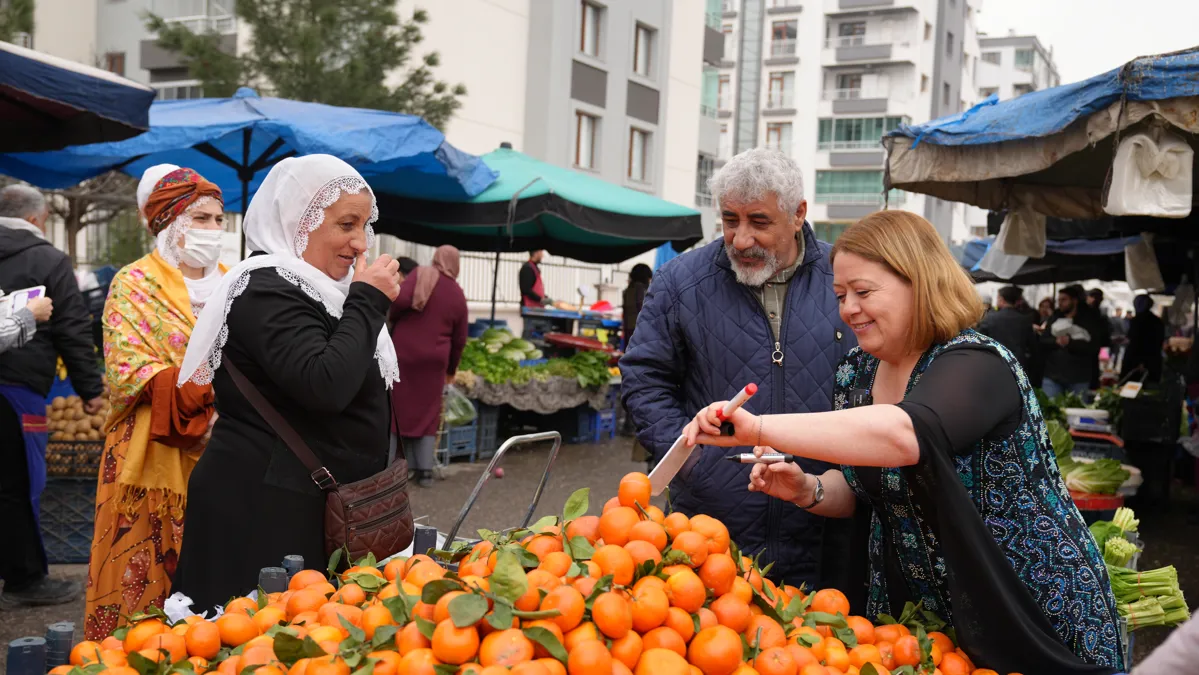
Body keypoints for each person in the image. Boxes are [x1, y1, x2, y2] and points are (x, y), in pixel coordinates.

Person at [682, 210, 1123, 675]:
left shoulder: (977, 363)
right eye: (841, 295)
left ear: (920, 283)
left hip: (1023, 605)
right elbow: (865, 487)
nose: (849, 308)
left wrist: (757, 428)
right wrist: (807, 489)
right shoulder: (856, 372)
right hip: (923, 625)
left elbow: (905, 435)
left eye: (864, 292)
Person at [621, 148, 858, 594]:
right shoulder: (679, 282)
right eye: (730, 220)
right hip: (709, 530)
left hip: (824, 523)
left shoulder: (844, 281)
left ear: (798, 214)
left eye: (759, 222)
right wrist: (696, 463)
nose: (742, 239)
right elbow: (643, 379)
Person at [172, 155, 402, 611]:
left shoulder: (325, 290)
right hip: (263, 513)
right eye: (346, 224)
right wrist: (369, 301)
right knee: (251, 636)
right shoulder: (265, 288)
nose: (360, 243)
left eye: (365, 226)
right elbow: (324, 384)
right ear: (299, 220)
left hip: (308, 505)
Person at [83, 167, 227, 638]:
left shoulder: (234, 283)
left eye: (219, 219)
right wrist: (202, 394)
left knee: (216, 568)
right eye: (200, 218)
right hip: (148, 449)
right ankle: (132, 650)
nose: (213, 229)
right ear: (169, 222)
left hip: (227, 444)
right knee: (138, 566)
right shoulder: (134, 283)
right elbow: (125, 367)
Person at [0, 184, 104, 608]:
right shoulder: (48, 259)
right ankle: (25, 580)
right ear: (36, 219)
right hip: (18, 387)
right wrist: (90, 389)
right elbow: (72, 328)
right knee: (19, 483)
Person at [389, 245, 468, 488]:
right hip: (434, 361)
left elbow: (398, 300)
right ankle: (424, 472)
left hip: (404, 353)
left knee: (398, 410)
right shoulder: (457, 293)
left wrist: (398, 320)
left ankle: (392, 468)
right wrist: (451, 370)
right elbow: (460, 339)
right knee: (428, 414)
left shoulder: (420, 274)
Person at [1040, 285, 1106, 398]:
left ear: (1074, 301)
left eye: (1064, 300)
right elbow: (1043, 340)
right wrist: (1056, 341)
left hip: (1079, 377)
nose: (1060, 303)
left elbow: (1094, 346)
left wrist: (1070, 343)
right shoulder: (1055, 317)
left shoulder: (1089, 320)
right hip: (1053, 376)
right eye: (1059, 300)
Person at [620, 264, 652, 437]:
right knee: (643, 382)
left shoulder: (627, 291)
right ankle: (634, 424)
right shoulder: (642, 290)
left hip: (629, 341)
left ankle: (628, 424)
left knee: (631, 381)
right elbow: (646, 315)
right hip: (643, 340)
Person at [977, 285, 1036, 372]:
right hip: (1018, 366)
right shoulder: (1025, 320)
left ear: (1002, 299)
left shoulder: (990, 318)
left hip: (995, 364)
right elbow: (1032, 345)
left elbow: (979, 341)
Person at [1121, 294, 1166, 383]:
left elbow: (1136, 341)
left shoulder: (1137, 321)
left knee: (1132, 387)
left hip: (1136, 362)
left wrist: (1141, 361)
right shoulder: (1157, 321)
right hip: (1153, 360)